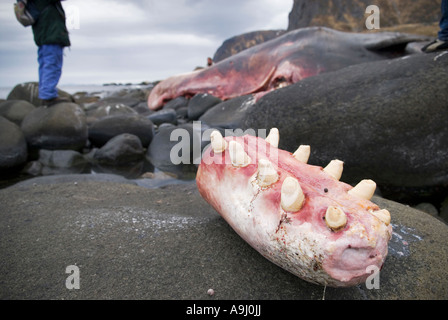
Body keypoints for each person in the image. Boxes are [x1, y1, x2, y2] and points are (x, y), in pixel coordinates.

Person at [31, 0, 71, 106]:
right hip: (51, 35)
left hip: (43, 35)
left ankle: (45, 94)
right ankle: (48, 95)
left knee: (45, 63)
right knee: (52, 64)